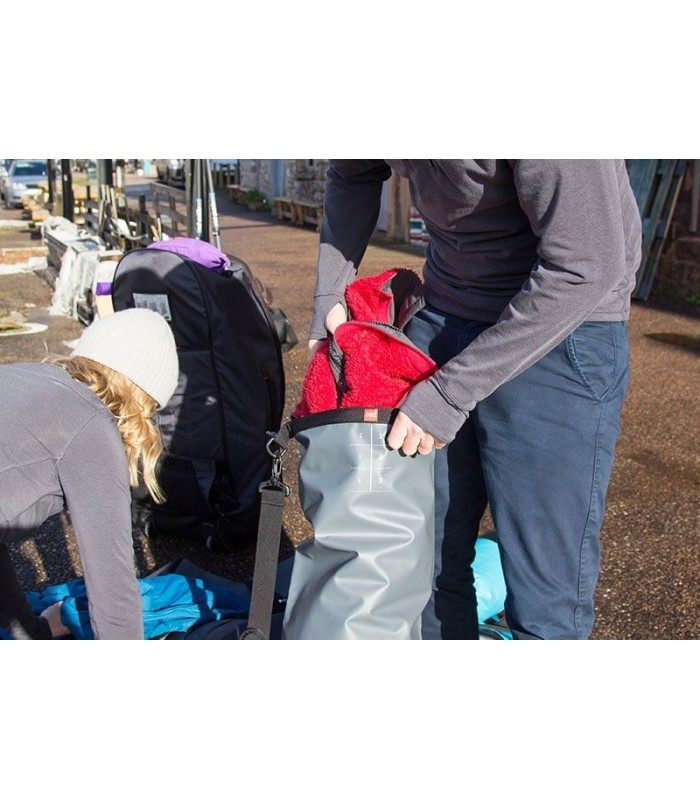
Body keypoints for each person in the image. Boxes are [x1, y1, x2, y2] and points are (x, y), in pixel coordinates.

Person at [309, 160, 642, 640]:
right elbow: (352, 172)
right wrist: (329, 299)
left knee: (544, 602)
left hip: (562, 328)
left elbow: (586, 265)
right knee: (424, 566)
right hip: (447, 311)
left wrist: (448, 395)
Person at [0, 307, 179, 640]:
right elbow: (113, 592)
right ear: (142, 400)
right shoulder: (92, 429)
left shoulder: (24, 377)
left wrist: (31, 631)